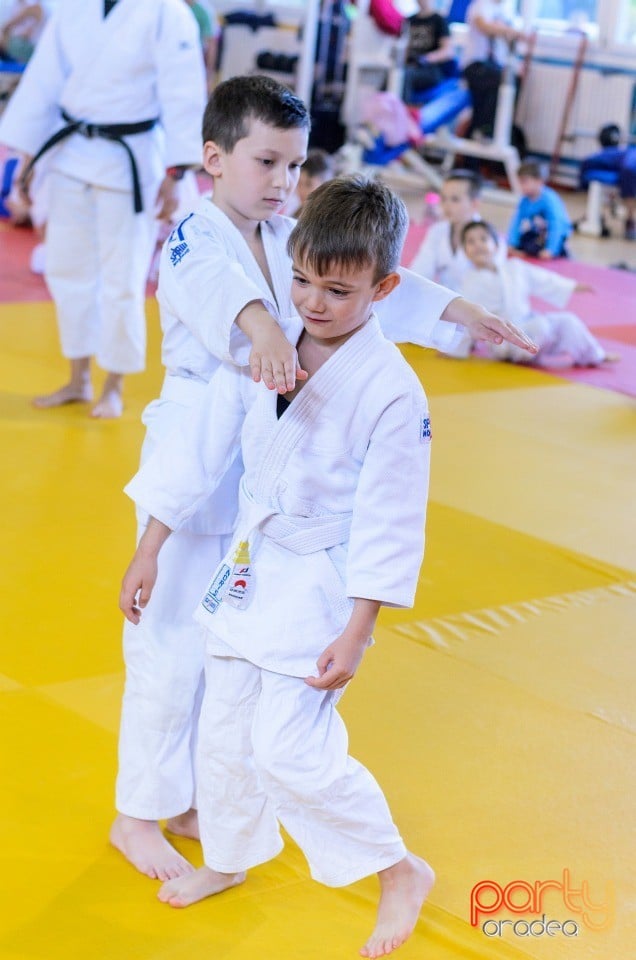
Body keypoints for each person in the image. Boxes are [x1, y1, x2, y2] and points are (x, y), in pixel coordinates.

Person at [109, 73, 537, 884]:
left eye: (296, 166)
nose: (284, 183)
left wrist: (462, 313)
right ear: (215, 158)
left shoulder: (281, 235)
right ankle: (137, 813)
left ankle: (197, 794)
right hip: (194, 459)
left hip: (263, 468)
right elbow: (231, 299)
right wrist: (268, 330)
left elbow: (356, 277)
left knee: (224, 651)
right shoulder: (195, 235)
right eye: (267, 162)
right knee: (165, 651)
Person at [120, 175, 437, 958]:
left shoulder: (392, 390)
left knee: (288, 750)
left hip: (320, 587)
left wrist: (360, 630)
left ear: (383, 287)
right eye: (300, 281)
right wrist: (151, 544)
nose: (314, 303)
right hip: (248, 569)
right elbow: (202, 453)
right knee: (225, 732)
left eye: (338, 288)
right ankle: (228, 858)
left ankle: (397, 868)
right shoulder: (266, 349)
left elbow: (394, 519)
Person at [0, 0, 206, 418]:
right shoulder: (74, 7)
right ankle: (78, 378)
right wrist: (21, 157)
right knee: (66, 268)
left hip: (129, 159)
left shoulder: (167, 12)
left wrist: (177, 172)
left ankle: (113, 383)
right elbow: (42, 81)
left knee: (123, 277)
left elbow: (183, 92)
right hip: (71, 153)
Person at [459, 220, 613, 368]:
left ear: (497, 245)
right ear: (465, 252)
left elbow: (544, 279)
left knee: (568, 321)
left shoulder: (514, 268)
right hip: (503, 342)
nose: (478, 245)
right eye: (470, 242)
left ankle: (595, 355)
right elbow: (465, 318)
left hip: (528, 326)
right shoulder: (470, 283)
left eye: (483, 239)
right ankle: (524, 351)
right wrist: (458, 348)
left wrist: (573, 286)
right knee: (541, 326)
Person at [410, 168, 505, 290]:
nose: (446, 205)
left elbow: (492, 287)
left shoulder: (492, 240)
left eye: (455, 199)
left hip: (477, 303)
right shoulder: (437, 231)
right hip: (444, 302)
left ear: (474, 203)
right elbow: (419, 272)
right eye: (443, 199)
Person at [461, 0, 526, 139]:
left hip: (494, 67)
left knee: (512, 81)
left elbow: (510, 40)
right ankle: (485, 128)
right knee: (500, 79)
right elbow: (484, 26)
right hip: (475, 65)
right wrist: (509, 30)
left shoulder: (507, 11)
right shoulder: (480, 5)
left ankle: (490, 128)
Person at [507, 159, 572, 259]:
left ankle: (560, 251)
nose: (521, 186)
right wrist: (512, 243)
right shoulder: (525, 200)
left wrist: (550, 250)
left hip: (557, 234)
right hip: (538, 232)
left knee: (535, 247)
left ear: (539, 181)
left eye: (525, 182)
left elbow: (556, 225)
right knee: (525, 241)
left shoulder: (549, 200)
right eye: (520, 182)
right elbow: (516, 221)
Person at [401, 0, 457, 105]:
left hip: (431, 70)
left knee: (406, 75)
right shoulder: (409, 21)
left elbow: (448, 51)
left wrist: (427, 58)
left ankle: (405, 114)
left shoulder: (439, 20)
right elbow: (405, 48)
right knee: (395, 74)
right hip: (411, 66)